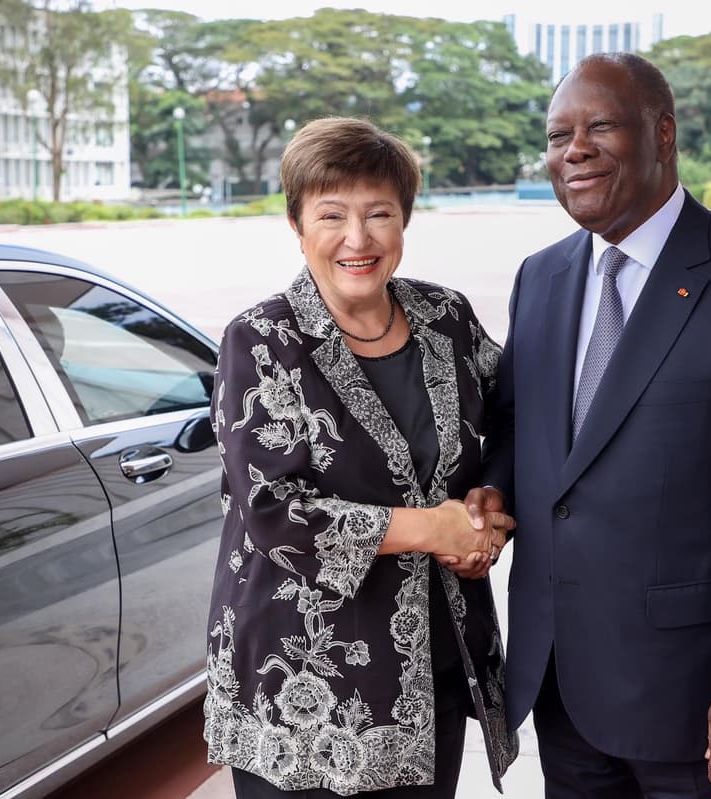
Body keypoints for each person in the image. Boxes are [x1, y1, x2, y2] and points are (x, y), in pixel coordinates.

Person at [469, 53, 711, 797]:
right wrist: (492, 491)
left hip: (705, 705)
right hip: (564, 689)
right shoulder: (541, 278)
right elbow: (525, 431)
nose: (572, 150)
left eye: (599, 127)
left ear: (663, 134)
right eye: (557, 135)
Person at [204, 116, 520, 798]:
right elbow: (275, 510)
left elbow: (517, 418)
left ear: (404, 219)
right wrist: (433, 529)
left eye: (379, 213)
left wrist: (485, 506)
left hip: (429, 665)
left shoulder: (447, 317)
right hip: (304, 682)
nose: (358, 238)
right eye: (332, 215)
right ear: (297, 223)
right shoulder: (260, 340)